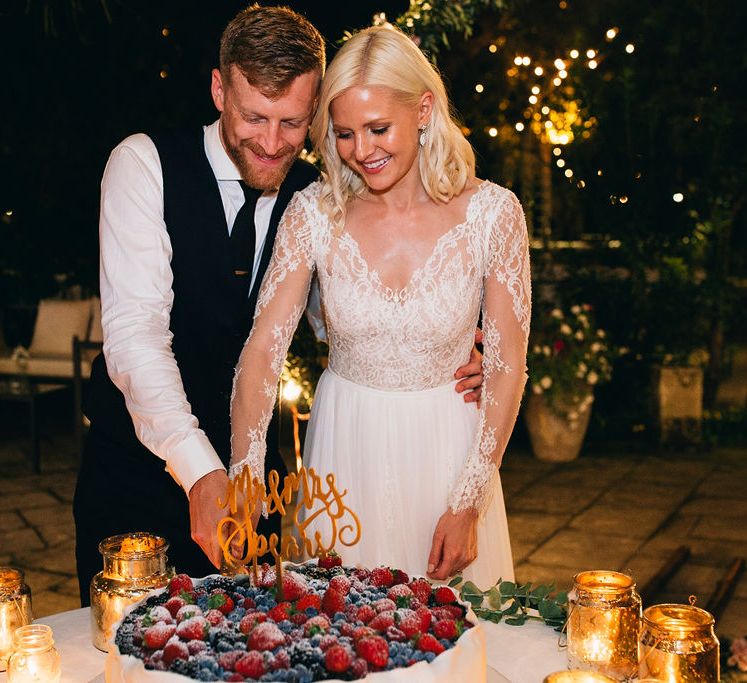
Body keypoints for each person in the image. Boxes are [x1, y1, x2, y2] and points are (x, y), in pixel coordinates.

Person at [73, 6, 483, 604]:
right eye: (254, 117)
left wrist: (455, 344)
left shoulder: (321, 199)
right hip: (138, 477)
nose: (270, 143)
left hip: (256, 490)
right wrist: (202, 473)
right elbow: (136, 337)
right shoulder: (143, 165)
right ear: (219, 89)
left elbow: (344, 315)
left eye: (292, 122)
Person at [230, 25, 531, 588]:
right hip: (345, 448)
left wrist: (469, 501)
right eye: (344, 133)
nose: (361, 151)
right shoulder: (312, 213)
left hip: (448, 454)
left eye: (377, 128)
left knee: (453, 646)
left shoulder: (494, 213)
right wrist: (245, 481)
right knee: (339, 641)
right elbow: (261, 354)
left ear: (423, 110)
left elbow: (509, 364)